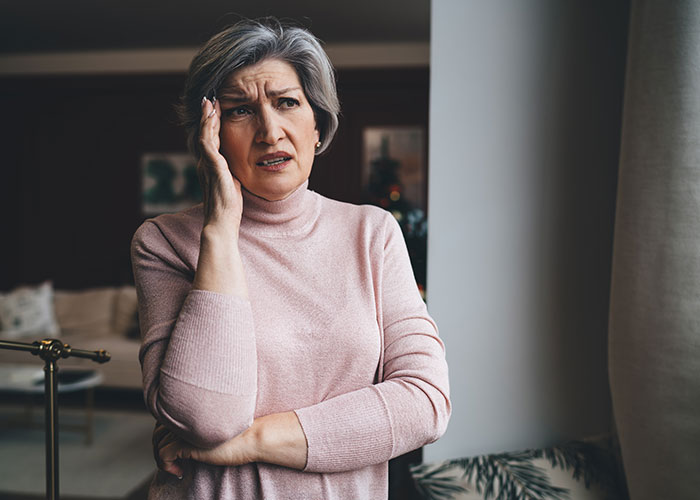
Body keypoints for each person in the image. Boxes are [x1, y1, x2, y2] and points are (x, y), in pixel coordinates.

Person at [131, 17, 450, 499]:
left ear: (317, 125)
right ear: (211, 135)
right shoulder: (163, 242)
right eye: (240, 111)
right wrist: (220, 232)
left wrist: (253, 441)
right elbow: (205, 417)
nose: (269, 130)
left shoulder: (373, 234)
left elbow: (425, 404)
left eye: (286, 103)